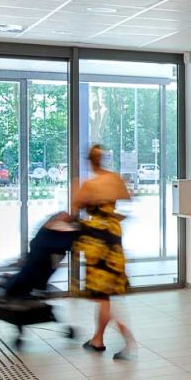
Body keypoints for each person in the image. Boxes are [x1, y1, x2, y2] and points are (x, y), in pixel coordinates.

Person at [73, 145, 136, 359]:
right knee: (106, 296)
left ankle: (129, 343)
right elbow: (126, 200)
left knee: (103, 296)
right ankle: (97, 339)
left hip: (97, 242)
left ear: (89, 162)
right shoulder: (115, 179)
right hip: (114, 237)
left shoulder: (89, 185)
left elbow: (75, 207)